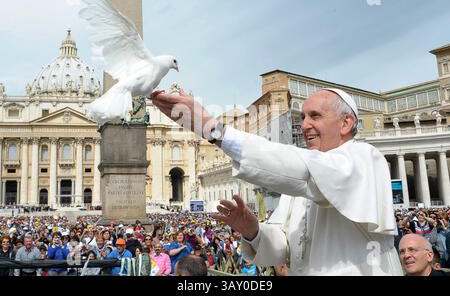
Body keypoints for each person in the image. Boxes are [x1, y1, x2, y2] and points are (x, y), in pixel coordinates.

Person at [152, 88, 403, 275]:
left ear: (346, 123)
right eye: (303, 117)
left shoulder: (365, 158)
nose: (305, 125)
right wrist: (253, 231)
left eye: (315, 116)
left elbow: (304, 169)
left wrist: (211, 129)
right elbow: (284, 247)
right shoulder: (299, 186)